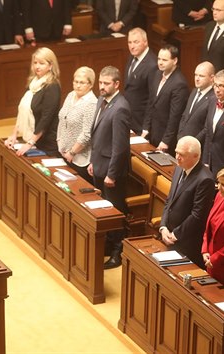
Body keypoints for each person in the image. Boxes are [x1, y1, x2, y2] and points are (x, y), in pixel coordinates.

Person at [88, 66, 131, 269]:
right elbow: (97, 135)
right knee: (102, 208)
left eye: (106, 83)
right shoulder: (101, 100)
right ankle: (107, 244)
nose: (102, 87)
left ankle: (117, 250)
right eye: (100, 83)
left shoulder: (121, 107)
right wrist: (92, 161)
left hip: (111, 171)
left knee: (113, 210)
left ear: (116, 84)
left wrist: (112, 174)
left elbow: (120, 147)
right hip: (99, 164)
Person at [160, 136, 216, 269]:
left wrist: (175, 234)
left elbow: (197, 215)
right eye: (176, 152)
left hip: (186, 243)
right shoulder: (180, 167)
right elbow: (170, 200)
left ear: (195, 156)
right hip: (169, 234)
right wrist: (163, 227)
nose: (177, 157)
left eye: (182, 155)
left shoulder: (205, 179)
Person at [4, 47, 61, 157]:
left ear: (50, 66)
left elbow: (46, 119)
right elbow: (23, 110)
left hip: (47, 143)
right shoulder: (33, 83)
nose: (37, 66)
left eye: (41, 63)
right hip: (33, 139)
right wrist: (14, 134)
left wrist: (30, 142)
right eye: (35, 63)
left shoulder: (52, 87)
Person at [141, 44, 189, 153]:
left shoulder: (179, 83)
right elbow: (151, 104)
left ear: (175, 60)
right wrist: (145, 128)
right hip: (152, 132)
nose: (160, 62)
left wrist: (166, 140)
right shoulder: (157, 74)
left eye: (164, 60)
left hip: (166, 138)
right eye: (159, 59)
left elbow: (175, 117)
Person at [57, 66, 97, 183]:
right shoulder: (71, 95)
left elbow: (86, 134)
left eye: (82, 83)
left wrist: (72, 152)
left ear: (90, 84)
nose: (78, 85)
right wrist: (59, 141)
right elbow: (62, 118)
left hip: (79, 159)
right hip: (63, 151)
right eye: (76, 82)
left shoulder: (91, 104)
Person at [123, 28, 157, 135]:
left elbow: (152, 98)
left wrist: (146, 127)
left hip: (140, 122)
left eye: (136, 42)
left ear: (145, 42)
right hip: (129, 118)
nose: (132, 46)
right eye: (130, 42)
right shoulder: (132, 57)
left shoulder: (152, 65)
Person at [177, 61, 216, 140]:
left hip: (198, 145)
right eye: (196, 75)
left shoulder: (214, 98)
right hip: (183, 141)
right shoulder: (194, 91)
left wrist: (194, 142)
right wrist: (180, 135)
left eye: (201, 76)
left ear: (212, 78)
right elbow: (185, 116)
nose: (197, 79)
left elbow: (207, 128)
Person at [201, 0, 224, 73]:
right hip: (207, 78)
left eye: (218, 10)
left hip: (222, 80)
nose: (214, 12)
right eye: (213, 9)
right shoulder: (209, 26)